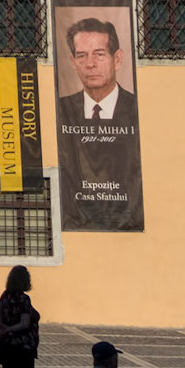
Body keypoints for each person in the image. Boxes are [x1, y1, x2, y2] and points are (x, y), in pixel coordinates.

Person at [57, 18, 143, 231]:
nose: (90, 64)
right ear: (73, 61)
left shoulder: (135, 108)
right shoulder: (62, 109)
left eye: (99, 54)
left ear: (117, 59)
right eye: (82, 56)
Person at [0, 264, 40, 368]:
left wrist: (2, 325)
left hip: (7, 345)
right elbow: (25, 323)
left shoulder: (5, 296)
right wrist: (10, 328)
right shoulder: (23, 299)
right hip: (22, 347)